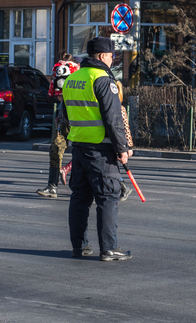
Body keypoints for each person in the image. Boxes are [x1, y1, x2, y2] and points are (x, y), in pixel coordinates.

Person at [62, 36, 131, 261]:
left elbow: (62, 116)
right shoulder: (102, 79)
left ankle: (78, 246)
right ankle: (109, 248)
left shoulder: (72, 79)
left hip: (79, 147)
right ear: (102, 56)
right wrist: (122, 148)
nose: (113, 61)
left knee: (80, 197)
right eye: (112, 56)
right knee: (108, 197)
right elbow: (114, 119)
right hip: (101, 149)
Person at [36, 54, 79, 198]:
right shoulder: (63, 76)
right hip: (64, 121)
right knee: (55, 149)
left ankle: (119, 185)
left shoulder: (79, 74)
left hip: (80, 122)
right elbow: (60, 97)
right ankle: (52, 186)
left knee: (85, 153)